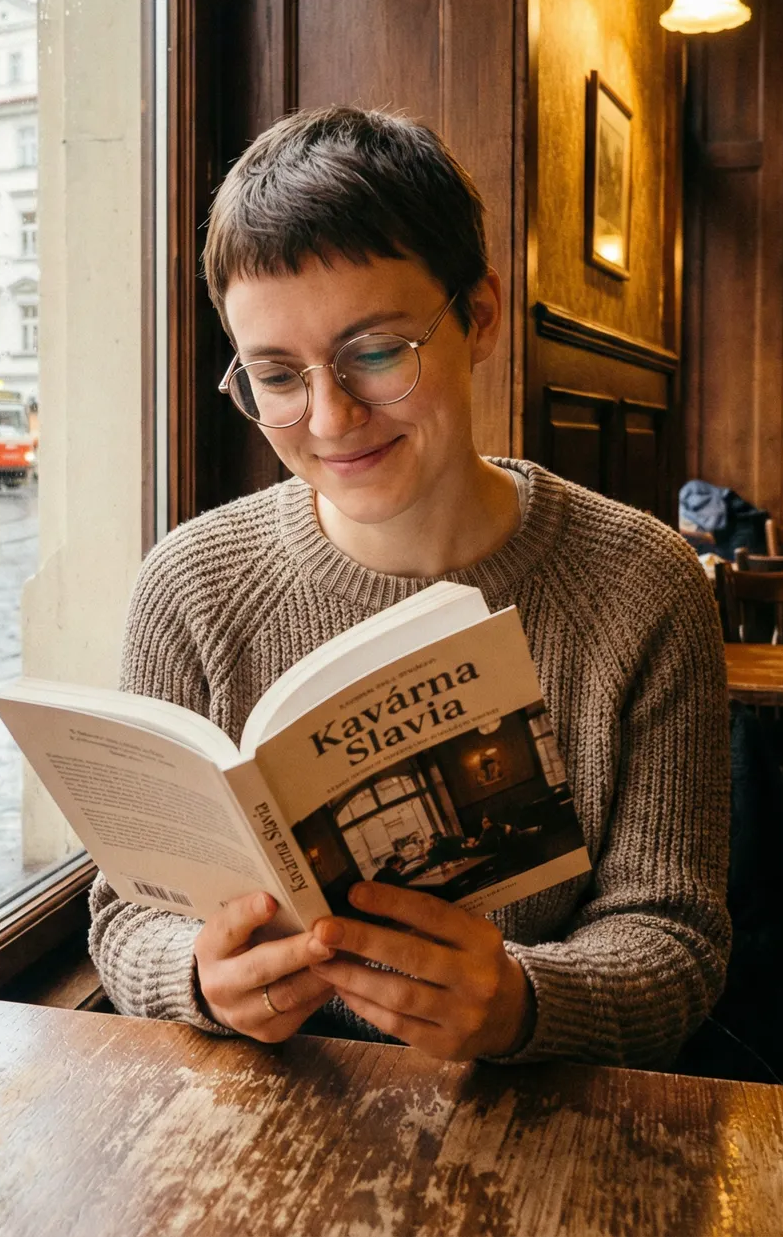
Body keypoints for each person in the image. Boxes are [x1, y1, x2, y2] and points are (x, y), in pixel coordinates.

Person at [87, 106, 730, 1067]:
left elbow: (676, 938)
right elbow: (124, 915)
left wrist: (522, 1002)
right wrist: (199, 976)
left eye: (377, 352)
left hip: (542, 1120)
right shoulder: (189, 584)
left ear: (478, 317)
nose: (331, 416)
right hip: (281, 1105)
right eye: (276, 376)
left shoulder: (643, 582)